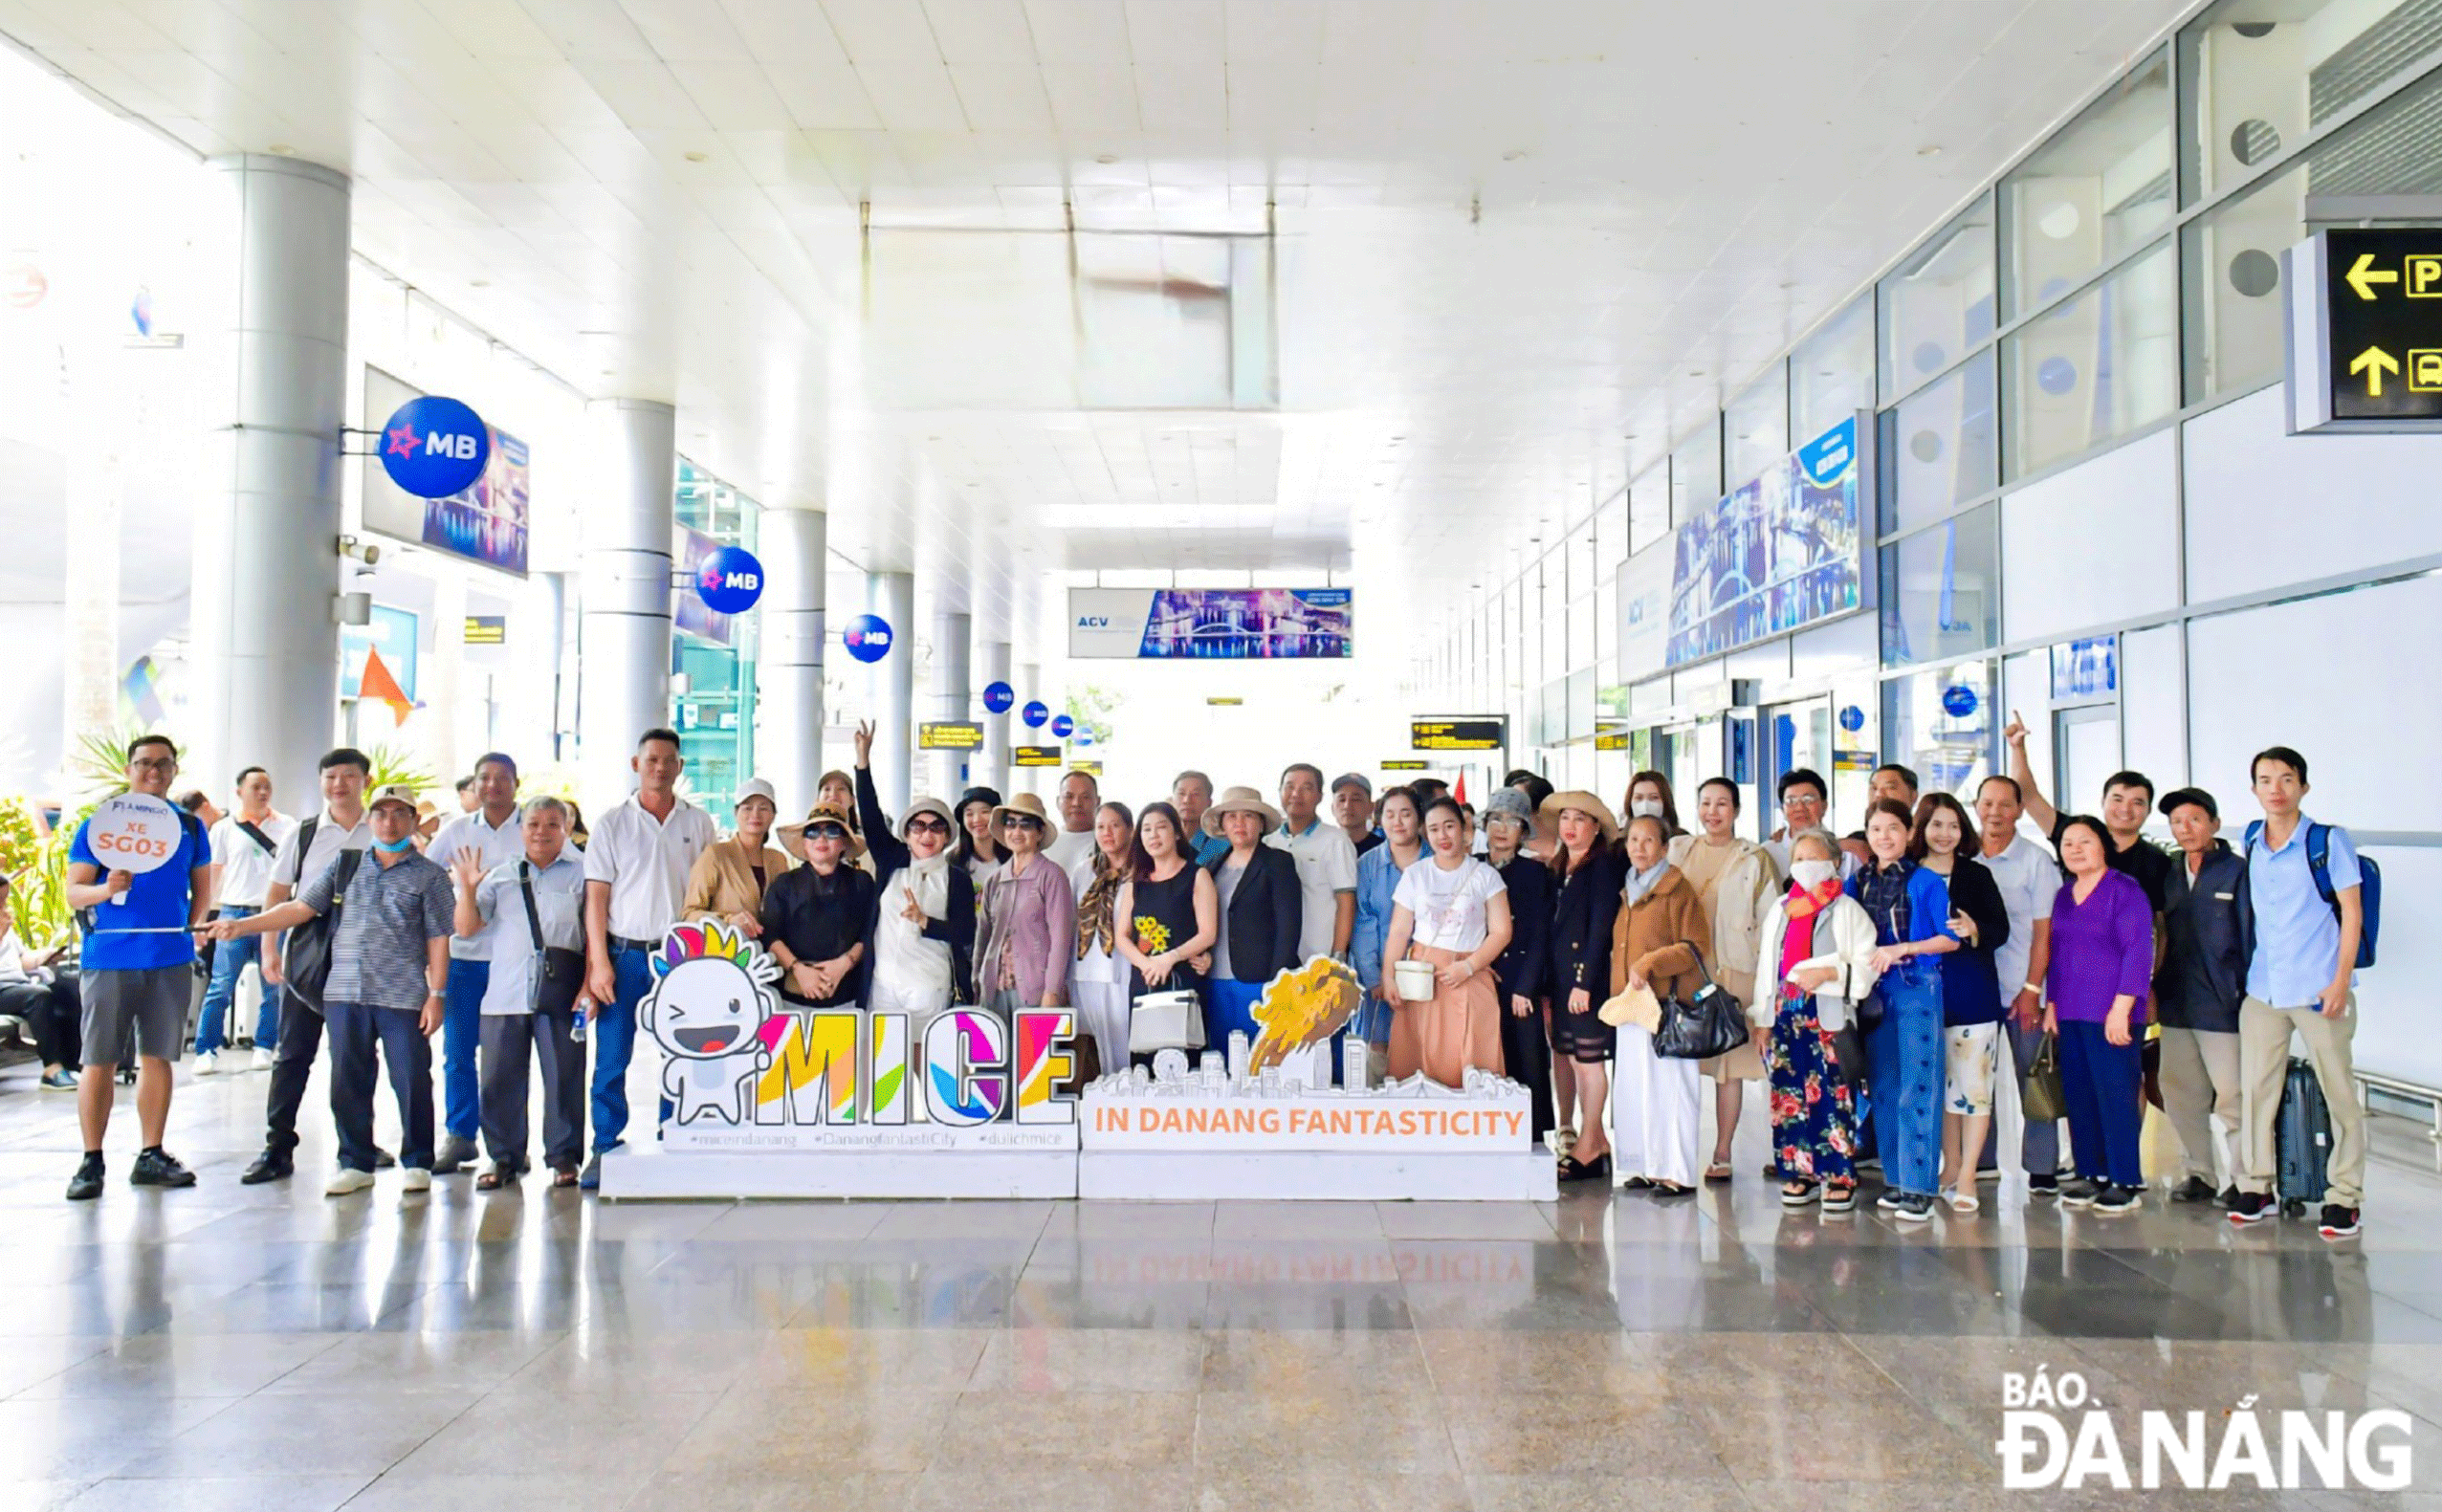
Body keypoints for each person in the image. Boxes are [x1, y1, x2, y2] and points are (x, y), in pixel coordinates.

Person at [215, 785, 454, 1195]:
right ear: (370, 820)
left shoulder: (429, 876)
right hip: (343, 991)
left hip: (403, 994)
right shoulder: (345, 865)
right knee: (348, 1077)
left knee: (412, 1078)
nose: (389, 821)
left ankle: (417, 1161)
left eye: (400, 813)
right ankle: (355, 1160)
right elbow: (300, 908)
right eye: (381, 813)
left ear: (414, 820)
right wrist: (245, 926)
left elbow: (438, 939)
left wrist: (437, 994)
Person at [62, 734, 210, 1201]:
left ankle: (151, 1153)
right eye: (145, 763)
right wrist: (107, 890)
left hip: (168, 955)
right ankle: (91, 1160)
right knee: (99, 1058)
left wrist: (191, 927)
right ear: (129, 769)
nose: (154, 771)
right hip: (109, 954)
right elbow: (73, 892)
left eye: (163, 764)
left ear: (174, 771)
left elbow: (202, 888)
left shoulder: (189, 827)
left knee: (159, 1055)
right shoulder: (98, 825)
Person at [2229, 747, 2366, 1238]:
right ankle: (2257, 1184)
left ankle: (2344, 1196)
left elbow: (2352, 913)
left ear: (2303, 787)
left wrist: (2339, 981)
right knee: (2257, 1091)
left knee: (2339, 1092)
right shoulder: (2251, 838)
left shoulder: (2328, 842)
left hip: (2318, 987)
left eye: (2287, 779)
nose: (2276, 789)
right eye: (2266, 780)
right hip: (2264, 987)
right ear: (2254, 789)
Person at [582, 729, 718, 1189]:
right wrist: (599, 962)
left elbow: (708, 891)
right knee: (612, 1055)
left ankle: (675, 1135)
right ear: (636, 764)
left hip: (680, 959)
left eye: (669, 761)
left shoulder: (698, 823)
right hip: (625, 956)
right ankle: (603, 1145)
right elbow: (596, 898)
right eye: (652, 759)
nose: (661, 768)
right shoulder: (612, 823)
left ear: (679, 767)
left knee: (681, 1053)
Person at [243, 747, 375, 1186]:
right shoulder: (302, 835)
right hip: (308, 955)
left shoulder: (381, 830)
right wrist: (269, 950)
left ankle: (358, 1149)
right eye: (331, 776)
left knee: (354, 1057)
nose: (339, 785)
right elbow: (278, 895)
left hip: (363, 957)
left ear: (365, 782)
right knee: (293, 1054)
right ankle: (277, 1146)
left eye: (349, 777)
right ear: (322, 783)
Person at [451, 795, 586, 1189]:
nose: (541, 832)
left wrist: (587, 988)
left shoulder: (582, 873)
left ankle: (564, 1158)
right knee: (498, 1078)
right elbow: (466, 928)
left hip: (562, 992)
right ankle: (503, 1156)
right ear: (521, 830)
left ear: (566, 829)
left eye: (551, 824)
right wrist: (468, 889)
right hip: (504, 992)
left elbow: (593, 933)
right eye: (533, 824)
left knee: (564, 1076)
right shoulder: (500, 875)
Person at [1845, 797, 1957, 1223]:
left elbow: (1950, 939)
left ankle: (1918, 1186)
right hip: (1874, 993)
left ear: (1909, 834)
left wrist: (1904, 947)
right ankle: (1895, 1178)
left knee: (1918, 1086)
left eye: (1893, 828)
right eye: (1876, 830)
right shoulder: (1859, 882)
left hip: (1916, 988)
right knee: (1885, 1087)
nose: (1884, 837)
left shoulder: (1926, 881)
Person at [1756, 828, 1878, 1213]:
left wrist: (1828, 974)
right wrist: (1762, 1018)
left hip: (1826, 1016)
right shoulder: (1781, 908)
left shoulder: (1846, 909)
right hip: (1785, 1016)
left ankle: (1839, 1175)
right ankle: (1798, 1170)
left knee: (1832, 1094)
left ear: (1835, 863)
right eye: (1800, 859)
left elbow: (1866, 963)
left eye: (1815, 858)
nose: (1807, 866)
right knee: (1788, 1095)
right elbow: (1767, 967)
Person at [1667, 777, 1778, 1184]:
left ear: (1736, 811)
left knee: (1727, 1067)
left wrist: (1770, 982)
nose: (1713, 812)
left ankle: (1722, 1151)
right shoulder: (1679, 851)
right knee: (1682, 1061)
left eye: (1722, 804)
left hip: (1733, 971)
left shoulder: (1754, 857)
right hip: (1686, 970)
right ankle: (1676, 1152)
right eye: (1706, 803)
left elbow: (1771, 922)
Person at [2042, 814, 2155, 1215]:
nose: (2074, 849)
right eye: (2068, 843)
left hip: (2112, 1012)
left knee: (2116, 1095)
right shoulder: (2063, 895)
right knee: (2080, 1094)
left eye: (2084, 841)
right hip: (2071, 1010)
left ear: (2103, 846)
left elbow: (2139, 951)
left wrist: (2122, 1007)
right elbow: (2056, 954)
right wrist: (2052, 1003)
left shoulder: (2125, 891)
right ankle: (2091, 1173)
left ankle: (2125, 1177)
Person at [424, 752, 523, 1176]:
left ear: (517, 784)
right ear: (474, 784)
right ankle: (461, 1135)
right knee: (459, 1052)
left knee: (509, 1058)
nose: (493, 786)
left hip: (515, 962)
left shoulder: (532, 827)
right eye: (485, 778)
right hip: (464, 960)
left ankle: (508, 1144)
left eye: (502, 778)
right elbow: (424, 885)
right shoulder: (456, 831)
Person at [1911, 793, 2011, 1214]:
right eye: (1936, 824)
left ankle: (1968, 1172)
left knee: (1972, 1090)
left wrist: (1973, 930)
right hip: (1920, 998)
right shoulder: (1908, 874)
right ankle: (1949, 1167)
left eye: (1953, 825)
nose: (1945, 834)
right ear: (1922, 828)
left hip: (1972, 996)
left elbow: (1999, 929)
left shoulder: (1977, 875)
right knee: (1941, 1090)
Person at [2154, 786, 2248, 1207]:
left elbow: (2252, 938)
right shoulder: (2169, 872)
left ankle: (2247, 1180)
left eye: (2194, 819)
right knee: (2180, 1091)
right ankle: (2200, 1173)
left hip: (2223, 1005)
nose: (2185, 828)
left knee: (2232, 1096)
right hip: (2176, 1003)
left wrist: (2242, 994)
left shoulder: (2237, 871)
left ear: (2214, 822)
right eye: (2176, 822)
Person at [1379, 795, 1510, 1087]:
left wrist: (1470, 966)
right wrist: (1388, 977)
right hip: (1423, 977)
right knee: (1420, 1056)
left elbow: (1501, 931)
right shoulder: (1416, 874)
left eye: (1449, 826)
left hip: (1470, 973)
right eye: (1434, 828)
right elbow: (1399, 931)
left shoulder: (1485, 875)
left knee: (1473, 1055)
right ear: (1426, 832)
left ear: (1465, 829)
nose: (1443, 835)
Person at [1610, 812, 1709, 1195]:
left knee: (1673, 1090)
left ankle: (1676, 1171)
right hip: (1631, 1005)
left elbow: (1696, 946)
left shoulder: (1678, 889)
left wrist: (1652, 963)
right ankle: (1644, 1165)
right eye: (1633, 840)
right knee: (1635, 1087)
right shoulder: (1628, 889)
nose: (1639, 848)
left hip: (1670, 1006)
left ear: (1665, 848)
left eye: (1648, 841)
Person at [1973, 774, 2060, 1193]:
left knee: (2035, 1076)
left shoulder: (2036, 861)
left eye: (2005, 805)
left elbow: (2046, 933)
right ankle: (1982, 1162)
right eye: (1987, 804)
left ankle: (2042, 1167)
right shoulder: (1963, 856)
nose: (1995, 813)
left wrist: (2032, 990)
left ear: (2020, 810)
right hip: (1974, 991)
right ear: (1975, 807)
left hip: (2021, 988)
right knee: (1975, 1080)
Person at [853, 728, 974, 1030]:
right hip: (884, 984)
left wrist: (925, 921)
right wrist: (862, 762)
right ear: (906, 835)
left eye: (936, 827)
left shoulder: (955, 878)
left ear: (947, 836)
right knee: (886, 1069)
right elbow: (870, 816)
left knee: (926, 1063)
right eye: (918, 827)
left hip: (929, 985)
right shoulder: (892, 861)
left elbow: (965, 932)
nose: (927, 834)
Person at [2004, 712, 2172, 905]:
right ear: (2103, 802)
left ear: (2149, 810)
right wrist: (2017, 748)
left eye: (2137, 802)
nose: (2126, 809)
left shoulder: (2157, 861)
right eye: (2117, 799)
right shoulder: (2076, 833)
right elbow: (2028, 796)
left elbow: (2159, 921)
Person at [1544, 791, 1623, 1180]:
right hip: (1559, 981)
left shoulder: (1602, 868)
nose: (1570, 827)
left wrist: (1584, 982)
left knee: (1590, 1064)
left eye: (1579, 819)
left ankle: (1591, 1142)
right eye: (1565, 819)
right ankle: (1595, 1141)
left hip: (1584, 982)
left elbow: (1600, 932)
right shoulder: (1561, 865)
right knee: (1573, 1059)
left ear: (1596, 827)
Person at [195, 765, 294, 1075]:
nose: (262, 792)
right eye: (255, 787)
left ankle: (265, 1046)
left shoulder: (288, 826)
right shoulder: (224, 828)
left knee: (274, 986)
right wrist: (201, 919)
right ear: (239, 792)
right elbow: (213, 875)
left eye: (267, 786)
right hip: (234, 913)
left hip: (272, 916)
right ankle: (206, 1050)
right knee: (220, 986)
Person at [1199, 786, 1302, 1061]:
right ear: (1222, 825)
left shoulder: (1277, 862)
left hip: (1259, 979)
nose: (1239, 823)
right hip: (1215, 978)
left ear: (1260, 823)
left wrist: (1277, 982)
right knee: (1221, 1057)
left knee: (1260, 1059)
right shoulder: (1211, 865)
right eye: (1231, 816)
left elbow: (1288, 927)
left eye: (1248, 816)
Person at [1113, 800, 1218, 1065]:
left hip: (1184, 979)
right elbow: (1122, 936)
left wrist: (1169, 958)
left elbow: (1208, 933)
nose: (1153, 835)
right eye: (1146, 830)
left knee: (1186, 1060)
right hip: (1144, 979)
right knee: (1144, 1060)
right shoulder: (1133, 883)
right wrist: (1147, 964)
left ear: (1177, 832)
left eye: (1161, 828)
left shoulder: (1197, 875)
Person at [1481, 789, 1552, 1146]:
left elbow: (1540, 934)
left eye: (1512, 821)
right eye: (1495, 819)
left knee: (1525, 1056)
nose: (1502, 828)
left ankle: (1531, 1134)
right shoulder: (1472, 866)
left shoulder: (1535, 873)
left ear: (1524, 832)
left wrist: (1527, 986)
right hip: (1479, 975)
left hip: (1519, 979)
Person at [975, 794, 1076, 1024]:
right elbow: (983, 936)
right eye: (1010, 823)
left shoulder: (1052, 876)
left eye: (1026, 824)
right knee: (992, 1059)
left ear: (1039, 833)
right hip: (993, 990)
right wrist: (977, 982)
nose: (1016, 831)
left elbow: (1061, 939)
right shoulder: (995, 879)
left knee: (1034, 1060)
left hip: (1036, 991)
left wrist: (1052, 991)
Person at [763, 802, 875, 1011]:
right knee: (791, 1045)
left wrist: (845, 964)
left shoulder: (861, 882)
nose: (821, 839)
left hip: (846, 996)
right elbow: (770, 935)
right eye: (813, 831)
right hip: (793, 995)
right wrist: (798, 970)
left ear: (844, 842)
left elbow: (870, 931)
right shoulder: (784, 884)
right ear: (804, 843)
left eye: (832, 831)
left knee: (845, 1045)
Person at [1350, 786, 1424, 1055]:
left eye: (1406, 814)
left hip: (1429, 975)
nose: (1398, 822)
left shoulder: (1438, 861)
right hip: (1378, 977)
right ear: (1379, 820)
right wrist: (1375, 978)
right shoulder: (1367, 864)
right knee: (1378, 1051)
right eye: (1390, 814)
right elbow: (1362, 923)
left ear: (1419, 818)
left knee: (1424, 1050)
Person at [1070, 800, 1139, 1069]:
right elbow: (1073, 923)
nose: (1107, 833)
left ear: (1131, 830)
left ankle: (1126, 1107)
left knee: (1125, 1051)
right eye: (1100, 827)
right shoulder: (1083, 870)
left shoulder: (1143, 870)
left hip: (1124, 971)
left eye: (1115, 825)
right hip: (1085, 971)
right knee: (1091, 1053)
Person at [1267, 764, 1358, 963]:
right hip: (1277, 958)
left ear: (1319, 796)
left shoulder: (1335, 840)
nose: (1296, 794)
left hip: (1319, 958)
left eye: (1307, 788)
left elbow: (1346, 903)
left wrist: (1338, 955)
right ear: (1280, 792)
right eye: (1289, 787)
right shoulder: (1269, 842)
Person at [682, 778, 792, 935]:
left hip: (771, 954)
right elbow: (689, 914)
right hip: (727, 953)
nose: (755, 814)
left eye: (763, 808)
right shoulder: (715, 855)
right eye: (747, 808)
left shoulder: (778, 860)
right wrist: (727, 920)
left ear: (773, 815)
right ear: (736, 813)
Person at [0, 874, 80, 1088]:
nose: (4, 904)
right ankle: (52, 1069)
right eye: (0, 899)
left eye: (5, 898)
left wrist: (46, 956)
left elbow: (21, 961)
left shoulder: (6, 924)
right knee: (38, 996)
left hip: (13, 987)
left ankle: (77, 1061)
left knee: (65, 988)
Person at [1763, 768, 1829, 877]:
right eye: (1791, 801)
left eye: (1808, 799)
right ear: (1782, 809)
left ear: (1824, 806)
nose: (1800, 807)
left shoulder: (1846, 854)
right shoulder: (1767, 854)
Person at [815, 769, 871, 877]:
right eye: (827, 789)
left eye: (841, 789)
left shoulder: (867, 846)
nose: (833, 794)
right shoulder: (808, 840)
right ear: (818, 800)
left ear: (852, 800)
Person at [1045, 770, 1101, 879]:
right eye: (1069, 796)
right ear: (1058, 802)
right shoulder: (1044, 844)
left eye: (1085, 797)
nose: (1076, 803)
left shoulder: (1109, 842)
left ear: (1097, 801)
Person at [953, 785, 1006, 888]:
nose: (977, 819)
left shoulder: (1014, 859)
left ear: (998, 816)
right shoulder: (953, 861)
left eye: (985, 812)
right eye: (969, 814)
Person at [1174, 770, 1226, 866]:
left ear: (1209, 802)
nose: (1187, 800)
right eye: (1181, 794)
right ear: (1173, 800)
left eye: (1195, 794)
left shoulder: (1221, 846)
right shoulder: (1163, 841)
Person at [1331, 773, 1382, 857]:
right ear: (1332, 808)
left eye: (1356, 799)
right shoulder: (1321, 849)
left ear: (1371, 807)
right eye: (1342, 800)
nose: (1347, 806)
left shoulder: (1384, 851)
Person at [1622, 769, 1682, 836]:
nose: (1645, 804)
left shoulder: (1682, 841)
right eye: (1639, 798)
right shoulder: (1621, 842)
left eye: (1654, 797)